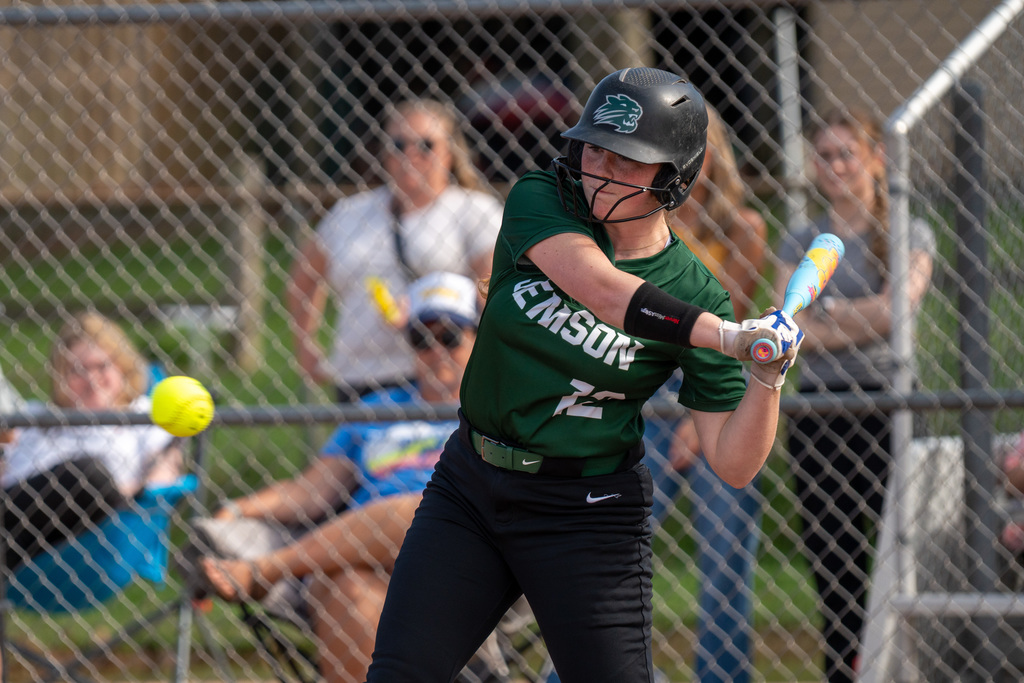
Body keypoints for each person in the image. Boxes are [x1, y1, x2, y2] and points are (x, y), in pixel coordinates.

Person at [365, 67, 803, 683]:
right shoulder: (542, 200)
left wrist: (767, 377)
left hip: (587, 513)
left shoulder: (693, 288)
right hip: (472, 486)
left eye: (628, 159)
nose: (602, 168)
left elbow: (733, 463)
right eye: (595, 148)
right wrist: (728, 335)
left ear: (671, 177)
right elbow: (601, 288)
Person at [195, 272, 481, 683]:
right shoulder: (375, 410)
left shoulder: (492, 410)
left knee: (425, 508)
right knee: (342, 585)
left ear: (477, 338)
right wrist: (238, 508)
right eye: (421, 338)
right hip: (359, 557)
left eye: (450, 336)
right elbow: (313, 490)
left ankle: (266, 571)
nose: (435, 350)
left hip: (458, 557)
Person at [775, 107, 935, 683]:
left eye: (847, 152)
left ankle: (905, 665)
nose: (836, 164)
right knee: (833, 555)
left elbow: (899, 309)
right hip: (820, 409)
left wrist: (830, 315)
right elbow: (785, 323)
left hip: (887, 403)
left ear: (875, 158)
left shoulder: (906, 230)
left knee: (899, 548)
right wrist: (853, 319)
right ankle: (844, 668)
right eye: (825, 154)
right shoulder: (801, 236)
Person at [643, 103, 768, 683]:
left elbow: (726, 327)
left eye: (690, 146)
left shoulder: (744, 227)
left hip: (716, 387)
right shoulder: (638, 226)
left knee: (725, 557)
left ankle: (722, 676)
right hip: (641, 388)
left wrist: (699, 420)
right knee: (617, 541)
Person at [287, 97, 503, 403]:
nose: (411, 155)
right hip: (358, 377)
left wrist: (426, 304)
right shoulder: (350, 213)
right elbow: (303, 280)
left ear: (449, 152)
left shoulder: (473, 212)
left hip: (434, 380)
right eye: (399, 145)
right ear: (385, 153)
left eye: (426, 145)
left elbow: (493, 293)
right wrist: (306, 347)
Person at [1, 311, 183, 569]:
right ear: (60, 378)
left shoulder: (143, 415)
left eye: (102, 366)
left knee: (89, 475)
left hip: (92, 536)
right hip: (13, 516)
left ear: (122, 367)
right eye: (77, 370)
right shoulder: (36, 416)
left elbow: (163, 472)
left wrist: (125, 493)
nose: (91, 378)